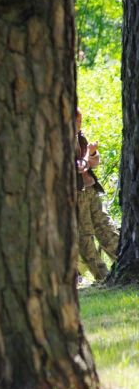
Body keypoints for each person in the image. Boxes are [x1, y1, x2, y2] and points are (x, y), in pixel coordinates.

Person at [75, 109, 119, 281]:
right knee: (85, 236)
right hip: (76, 193)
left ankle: (122, 263)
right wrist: (88, 155)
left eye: (79, 121)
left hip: (90, 189)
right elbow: (80, 166)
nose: (78, 125)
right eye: (75, 121)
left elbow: (93, 163)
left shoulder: (80, 136)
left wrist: (92, 152)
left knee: (105, 226)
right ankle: (102, 276)